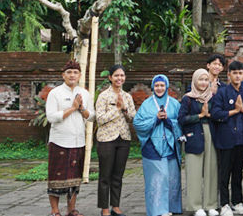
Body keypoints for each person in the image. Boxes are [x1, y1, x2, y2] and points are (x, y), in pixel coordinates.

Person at [45, 60, 94, 216]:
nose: (72, 75)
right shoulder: (55, 93)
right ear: (63, 75)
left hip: (78, 141)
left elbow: (92, 116)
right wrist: (72, 108)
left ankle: (71, 209)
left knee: (74, 177)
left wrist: (81, 109)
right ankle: (55, 211)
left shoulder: (84, 93)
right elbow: (51, 117)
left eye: (75, 72)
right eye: (69, 72)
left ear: (80, 75)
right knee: (56, 177)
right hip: (59, 141)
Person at [134, 75, 183, 216]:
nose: (159, 88)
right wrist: (155, 119)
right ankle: (158, 210)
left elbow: (181, 123)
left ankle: (172, 207)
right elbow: (138, 123)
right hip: (152, 147)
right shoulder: (146, 104)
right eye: (157, 86)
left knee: (172, 177)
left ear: (166, 87)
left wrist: (168, 120)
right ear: (152, 87)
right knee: (159, 176)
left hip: (171, 145)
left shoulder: (174, 104)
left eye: (162, 85)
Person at [211, 61, 243, 216]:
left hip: (241, 140)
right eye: (234, 73)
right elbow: (215, 114)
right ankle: (224, 204)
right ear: (228, 74)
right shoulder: (222, 93)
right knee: (224, 173)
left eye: (240, 73)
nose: (237, 76)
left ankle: (237, 201)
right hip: (226, 139)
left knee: (238, 173)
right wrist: (234, 111)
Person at [95, 64, 136, 216]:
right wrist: (116, 109)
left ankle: (116, 206)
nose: (120, 78)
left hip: (123, 139)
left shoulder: (127, 97)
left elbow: (133, 118)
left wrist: (124, 109)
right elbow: (100, 119)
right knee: (105, 175)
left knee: (118, 175)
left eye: (122, 76)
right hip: (106, 139)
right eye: (116, 75)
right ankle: (104, 208)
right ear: (110, 77)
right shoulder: (103, 96)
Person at [179, 69, 220, 216]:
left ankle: (210, 204)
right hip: (194, 134)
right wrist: (200, 115)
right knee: (194, 172)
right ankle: (196, 206)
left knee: (211, 170)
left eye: (205, 80)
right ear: (195, 81)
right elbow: (182, 119)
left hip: (210, 134)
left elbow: (217, 115)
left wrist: (209, 115)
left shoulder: (213, 97)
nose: (203, 83)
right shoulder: (188, 99)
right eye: (200, 80)